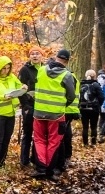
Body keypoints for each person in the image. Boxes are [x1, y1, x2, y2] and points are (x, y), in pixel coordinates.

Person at [32, 49, 75, 181]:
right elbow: (71, 96)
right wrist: (62, 105)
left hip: (38, 112)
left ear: (56, 57)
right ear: (67, 61)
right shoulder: (67, 75)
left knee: (39, 139)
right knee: (54, 141)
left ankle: (40, 168)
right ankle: (49, 170)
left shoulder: (41, 70)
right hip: (56, 115)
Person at [0, 56, 27, 170]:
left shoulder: (12, 77)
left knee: (6, 139)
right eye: (3, 68)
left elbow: (19, 86)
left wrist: (23, 87)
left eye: (8, 68)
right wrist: (3, 97)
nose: (6, 71)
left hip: (10, 113)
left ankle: (2, 163)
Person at [17, 47, 43, 167]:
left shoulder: (45, 69)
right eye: (32, 54)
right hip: (29, 106)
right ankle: (24, 161)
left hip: (42, 106)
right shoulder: (25, 70)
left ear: (41, 55)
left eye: (37, 53)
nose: (35, 56)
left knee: (40, 135)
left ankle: (36, 159)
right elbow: (20, 89)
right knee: (27, 133)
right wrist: (25, 105)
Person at [78, 69, 104, 146]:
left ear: (86, 76)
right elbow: (101, 97)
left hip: (83, 108)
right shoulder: (96, 85)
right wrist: (99, 104)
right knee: (94, 126)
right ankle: (93, 142)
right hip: (94, 109)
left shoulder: (81, 85)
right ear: (94, 76)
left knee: (85, 127)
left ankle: (85, 143)